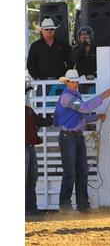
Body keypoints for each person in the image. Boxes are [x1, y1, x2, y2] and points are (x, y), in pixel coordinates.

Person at [54, 69, 110, 214]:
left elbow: (80, 116)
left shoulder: (73, 96)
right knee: (71, 172)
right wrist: (104, 95)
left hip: (74, 136)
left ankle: (81, 204)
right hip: (70, 137)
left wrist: (96, 117)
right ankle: (66, 205)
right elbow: (85, 108)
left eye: (76, 81)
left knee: (81, 171)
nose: (76, 83)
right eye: (73, 81)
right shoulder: (67, 97)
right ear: (67, 82)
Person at [27, 18, 73, 96]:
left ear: (54, 30)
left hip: (60, 82)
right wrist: (36, 77)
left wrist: (65, 75)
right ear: (42, 30)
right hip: (42, 82)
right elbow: (30, 64)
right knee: (42, 106)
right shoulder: (35, 46)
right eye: (46, 29)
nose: (49, 31)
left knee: (61, 105)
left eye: (51, 29)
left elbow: (70, 61)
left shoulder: (63, 45)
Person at [25, 86, 53, 216]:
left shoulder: (28, 110)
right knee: (28, 179)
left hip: (29, 148)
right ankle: (29, 208)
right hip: (27, 148)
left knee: (31, 178)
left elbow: (40, 121)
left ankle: (30, 208)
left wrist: (52, 119)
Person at [71, 26, 97, 94]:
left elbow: (102, 66)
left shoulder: (96, 49)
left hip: (94, 81)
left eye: (86, 35)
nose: (84, 37)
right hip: (80, 82)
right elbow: (73, 59)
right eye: (82, 35)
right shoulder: (76, 49)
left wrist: (94, 75)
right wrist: (82, 48)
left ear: (91, 36)